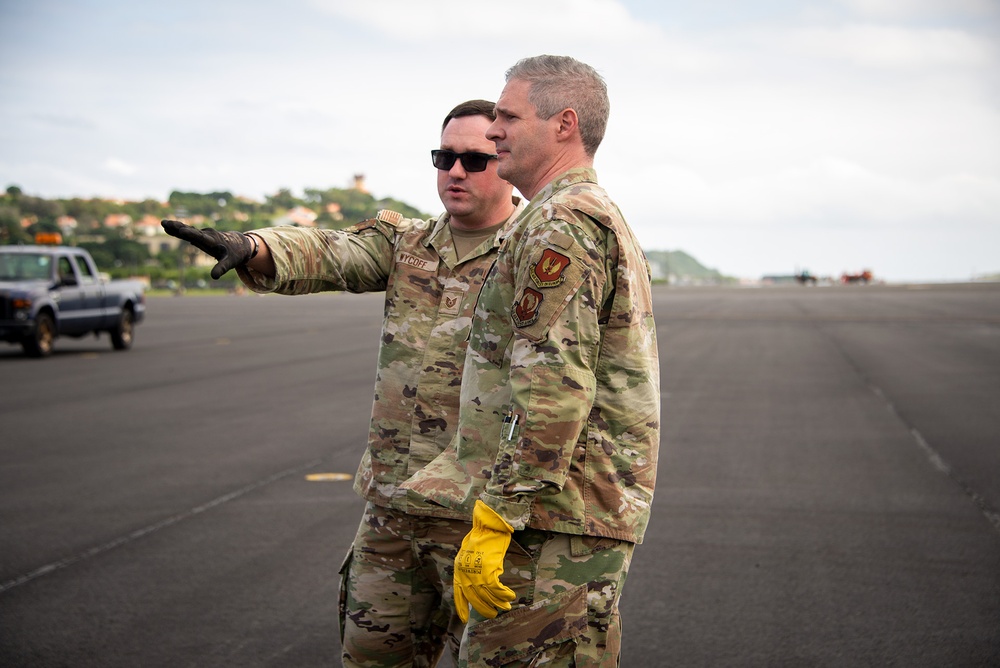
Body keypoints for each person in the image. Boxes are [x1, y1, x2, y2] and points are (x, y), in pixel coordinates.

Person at [162, 99, 525, 668]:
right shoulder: (408, 245)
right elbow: (332, 251)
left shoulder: (536, 252)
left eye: (474, 160)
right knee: (370, 657)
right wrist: (254, 246)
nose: (455, 172)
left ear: (506, 161)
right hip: (392, 507)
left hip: (481, 518)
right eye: (444, 157)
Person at [402, 56, 660, 666]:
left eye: (508, 117)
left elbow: (552, 387)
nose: (492, 132)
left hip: (550, 523)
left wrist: (498, 519)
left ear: (564, 123)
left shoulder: (560, 222)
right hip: (556, 514)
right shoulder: (571, 214)